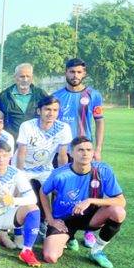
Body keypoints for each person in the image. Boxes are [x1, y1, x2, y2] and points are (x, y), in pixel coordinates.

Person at [40, 137, 126, 268]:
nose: (85, 153)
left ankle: (96, 251)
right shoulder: (60, 174)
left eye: (88, 150)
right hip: (64, 220)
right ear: (72, 153)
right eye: (80, 150)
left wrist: (90, 200)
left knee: (118, 212)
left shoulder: (103, 170)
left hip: (91, 217)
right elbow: (43, 191)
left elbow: (121, 201)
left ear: (93, 153)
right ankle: (69, 237)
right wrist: (50, 219)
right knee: (50, 257)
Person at [52, 58, 106, 249]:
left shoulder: (93, 95)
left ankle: (89, 232)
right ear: (65, 73)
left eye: (79, 72)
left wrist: (97, 149)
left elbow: (99, 121)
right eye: (72, 71)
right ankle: (68, 230)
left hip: (85, 151)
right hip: (64, 151)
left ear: (85, 74)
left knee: (90, 189)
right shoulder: (56, 96)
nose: (75, 75)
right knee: (61, 189)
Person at [15, 95, 72, 215]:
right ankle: (15, 227)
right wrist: (19, 175)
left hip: (44, 167)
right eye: (47, 109)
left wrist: (62, 177)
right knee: (18, 191)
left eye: (55, 110)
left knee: (58, 189)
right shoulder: (27, 126)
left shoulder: (64, 128)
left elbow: (62, 156)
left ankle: (52, 220)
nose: (51, 113)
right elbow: (21, 153)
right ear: (39, 111)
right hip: (23, 166)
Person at [0, 63, 48, 140]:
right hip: (11, 141)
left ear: (32, 78)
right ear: (15, 77)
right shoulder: (5, 95)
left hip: (35, 141)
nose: (25, 80)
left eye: (28, 76)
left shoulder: (41, 95)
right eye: (22, 76)